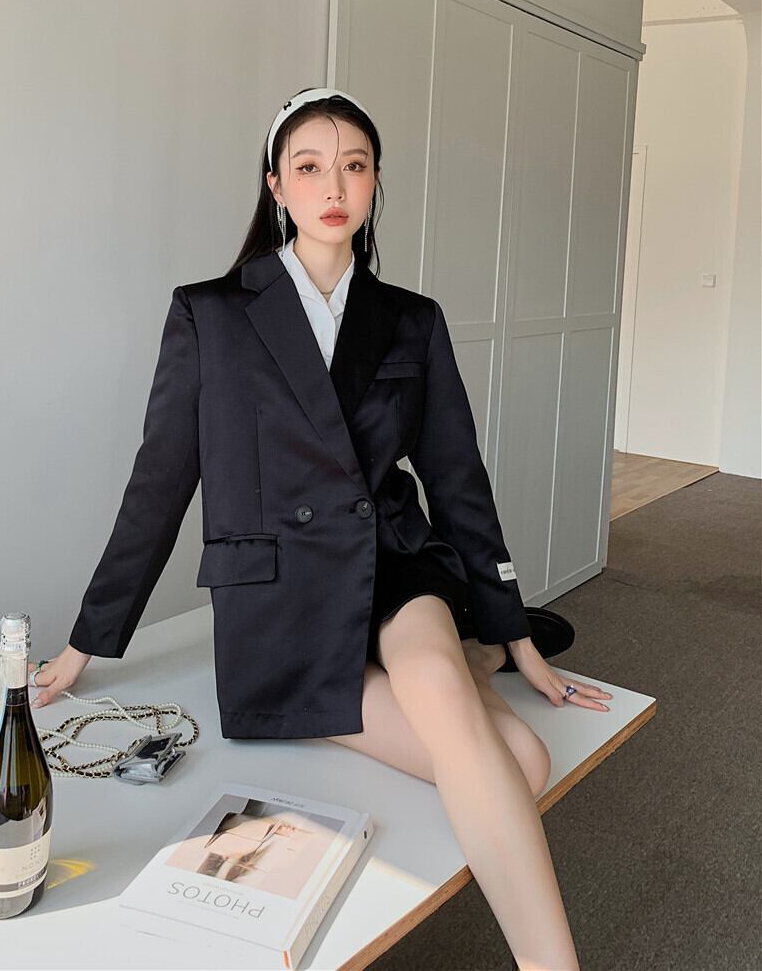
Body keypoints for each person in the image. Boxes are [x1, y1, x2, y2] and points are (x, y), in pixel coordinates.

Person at [30, 86, 612, 970]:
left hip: (396, 562)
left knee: (450, 700)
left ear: (374, 182)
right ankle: (472, 663)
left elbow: (457, 480)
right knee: (521, 761)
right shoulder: (210, 313)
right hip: (281, 594)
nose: (332, 186)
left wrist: (513, 624)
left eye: (353, 166)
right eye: (308, 167)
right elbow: (160, 483)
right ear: (276, 186)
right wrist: (87, 641)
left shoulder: (411, 318)